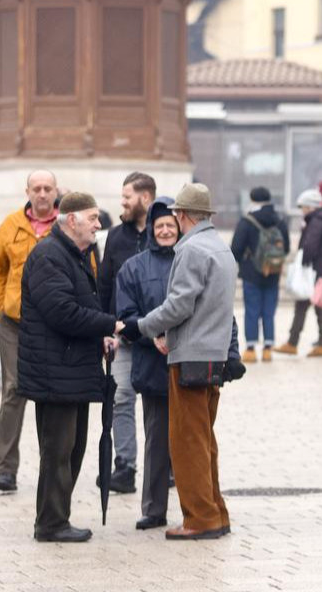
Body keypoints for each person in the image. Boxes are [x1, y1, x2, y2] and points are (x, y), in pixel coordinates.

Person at [127, 183, 239, 541]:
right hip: (213, 357)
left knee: (187, 442)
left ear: (183, 215)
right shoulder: (220, 247)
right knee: (204, 440)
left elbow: (179, 305)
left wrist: (143, 326)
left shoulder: (191, 249)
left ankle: (200, 518)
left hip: (190, 356)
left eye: (176, 214)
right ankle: (216, 512)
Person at [16, 192, 121, 543]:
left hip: (71, 369)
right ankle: (51, 523)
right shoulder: (49, 255)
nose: (98, 225)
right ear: (71, 220)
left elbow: (79, 305)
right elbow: (62, 312)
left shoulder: (73, 254)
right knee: (58, 451)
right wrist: (109, 325)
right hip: (55, 372)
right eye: (93, 218)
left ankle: (56, 517)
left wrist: (100, 335)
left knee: (72, 450)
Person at [0, 169, 59, 493]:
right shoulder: (11, 224)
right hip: (14, 323)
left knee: (51, 394)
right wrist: (1, 305)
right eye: (36, 188)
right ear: (28, 191)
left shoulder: (65, 226)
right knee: (13, 391)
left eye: (47, 188)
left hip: (54, 325)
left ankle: (52, 467)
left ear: (56, 191)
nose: (41, 193)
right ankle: (5, 470)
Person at [115, 197, 179, 529]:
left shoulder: (190, 260)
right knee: (156, 438)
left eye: (171, 225)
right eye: (160, 226)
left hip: (189, 362)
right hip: (153, 364)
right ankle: (154, 508)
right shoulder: (134, 268)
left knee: (193, 438)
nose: (165, 231)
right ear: (152, 230)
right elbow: (126, 316)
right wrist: (151, 335)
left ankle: (199, 507)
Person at [95, 171, 156, 495]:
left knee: (158, 403)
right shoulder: (116, 236)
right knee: (120, 399)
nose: (122, 203)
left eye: (127, 197)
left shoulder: (164, 232)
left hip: (158, 336)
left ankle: (164, 466)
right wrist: (106, 327)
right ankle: (125, 466)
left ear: (145, 198)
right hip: (122, 333)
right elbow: (105, 284)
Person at [274, 189, 322, 357]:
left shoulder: (317, 220)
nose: (302, 210)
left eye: (303, 207)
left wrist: (304, 261)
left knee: (310, 306)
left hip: (314, 270)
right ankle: (319, 343)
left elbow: (310, 244)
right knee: (318, 306)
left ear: (310, 206)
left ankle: (299, 343)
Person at [229, 186, 288, 362]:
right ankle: (268, 348)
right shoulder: (280, 220)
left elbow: (236, 248)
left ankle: (251, 349)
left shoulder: (247, 221)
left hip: (251, 273)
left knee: (252, 310)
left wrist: (243, 261)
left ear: (252, 200)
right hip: (273, 272)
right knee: (269, 311)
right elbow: (286, 247)